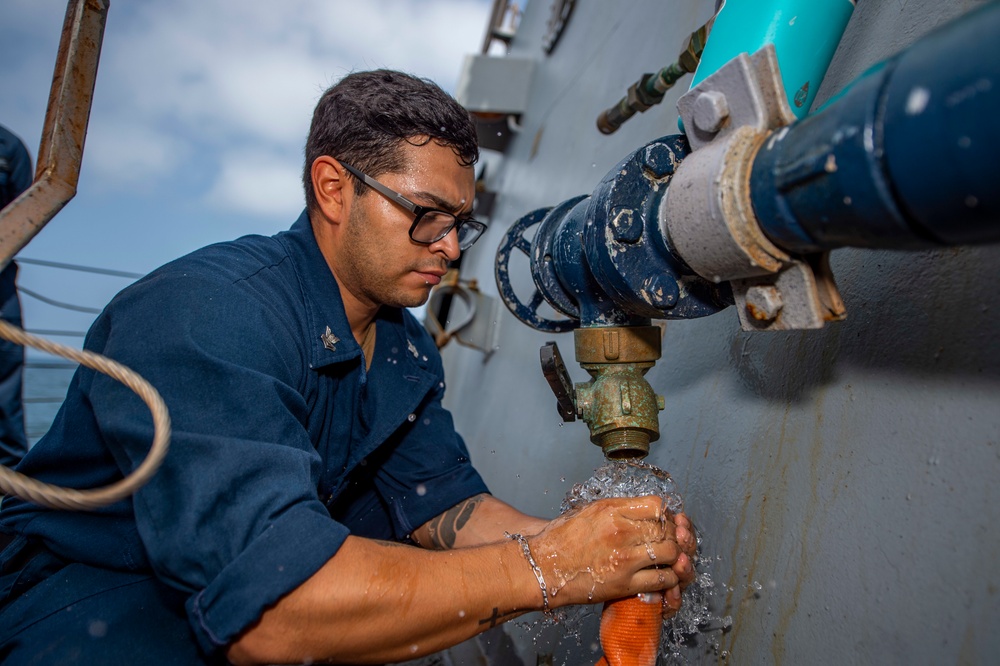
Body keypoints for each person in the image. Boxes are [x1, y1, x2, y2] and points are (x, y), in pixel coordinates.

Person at [0, 70, 695, 665]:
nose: (451, 248)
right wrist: (552, 567)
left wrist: (608, 545)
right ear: (333, 189)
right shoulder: (207, 313)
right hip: (85, 625)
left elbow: (446, 509)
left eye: (461, 222)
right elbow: (274, 614)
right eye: (426, 215)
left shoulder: (402, 345)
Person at [0, 124, 31, 469]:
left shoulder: (9, 148)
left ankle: (10, 508)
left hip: (1, 291)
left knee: (5, 402)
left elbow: (28, 213)